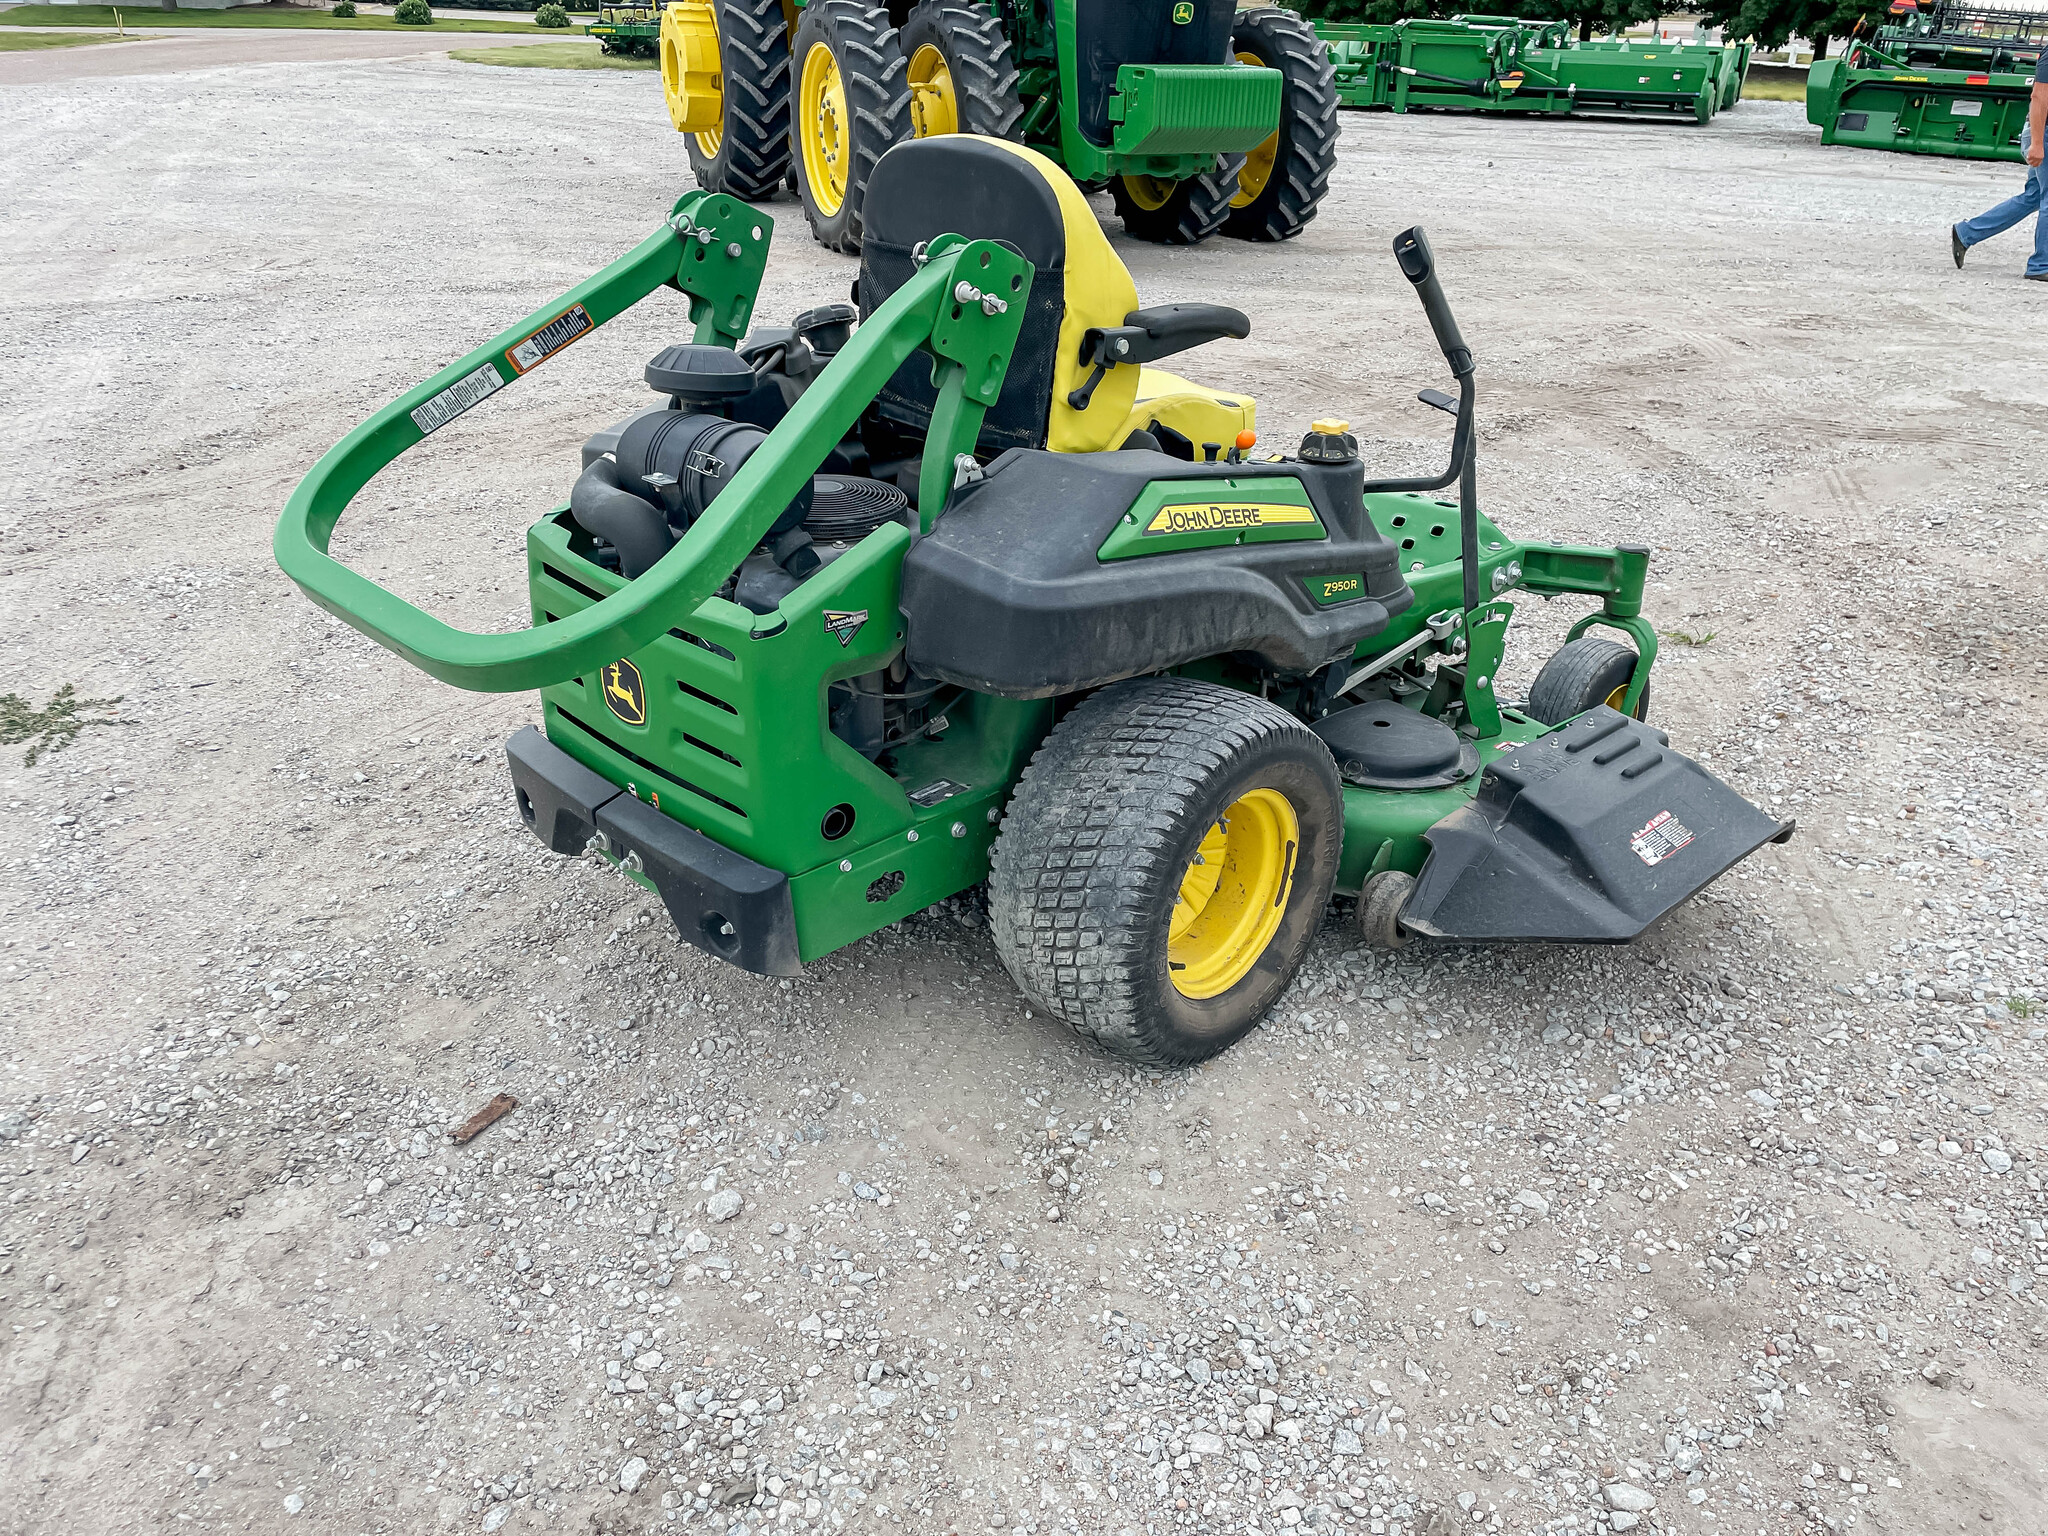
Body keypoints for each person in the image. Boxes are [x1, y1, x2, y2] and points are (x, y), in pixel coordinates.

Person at [1952, 53, 2048, 281]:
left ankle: (1966, 233)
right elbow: (2039, 96)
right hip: (2044, 134)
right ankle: (2041, 265)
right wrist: (2036, 143)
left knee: (2033, 196)